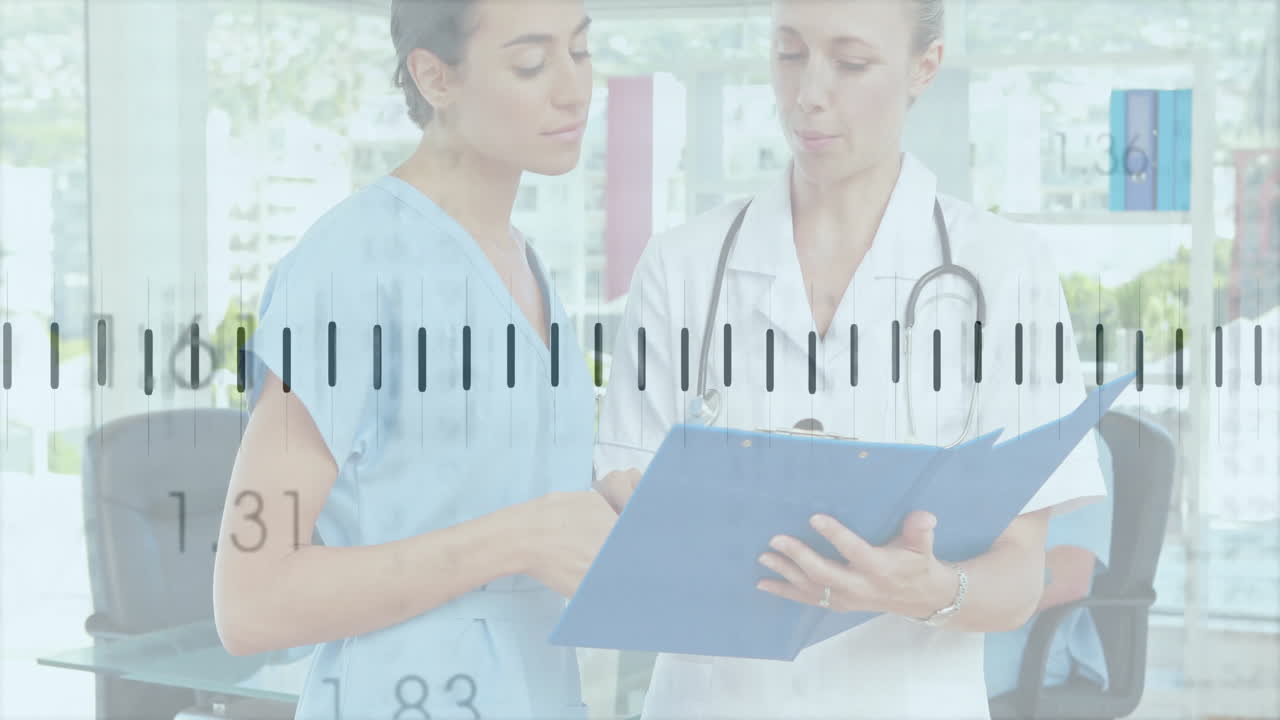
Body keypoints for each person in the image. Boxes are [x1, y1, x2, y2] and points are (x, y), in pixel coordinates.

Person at [592, 0, 1109, 718]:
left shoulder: (1004, 269)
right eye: (789, 52)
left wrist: (931, 591)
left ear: (923, 67)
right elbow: (621, 512)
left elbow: (1022, 575)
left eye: (852, 62)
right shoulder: (683, 267)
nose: (809, 92)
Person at [212, 2, 620, 718]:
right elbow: (252, 603)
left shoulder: (525, 264)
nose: (572, 88)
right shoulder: (351, 269)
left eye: (581, 53)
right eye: (531, 62)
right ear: (434, 76)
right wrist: (519, 538)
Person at [985, 433, 1115, 701]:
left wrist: (941, 592)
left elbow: (1062, 583)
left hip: (1012, 643)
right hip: (927, 619)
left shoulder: (1073, 445)